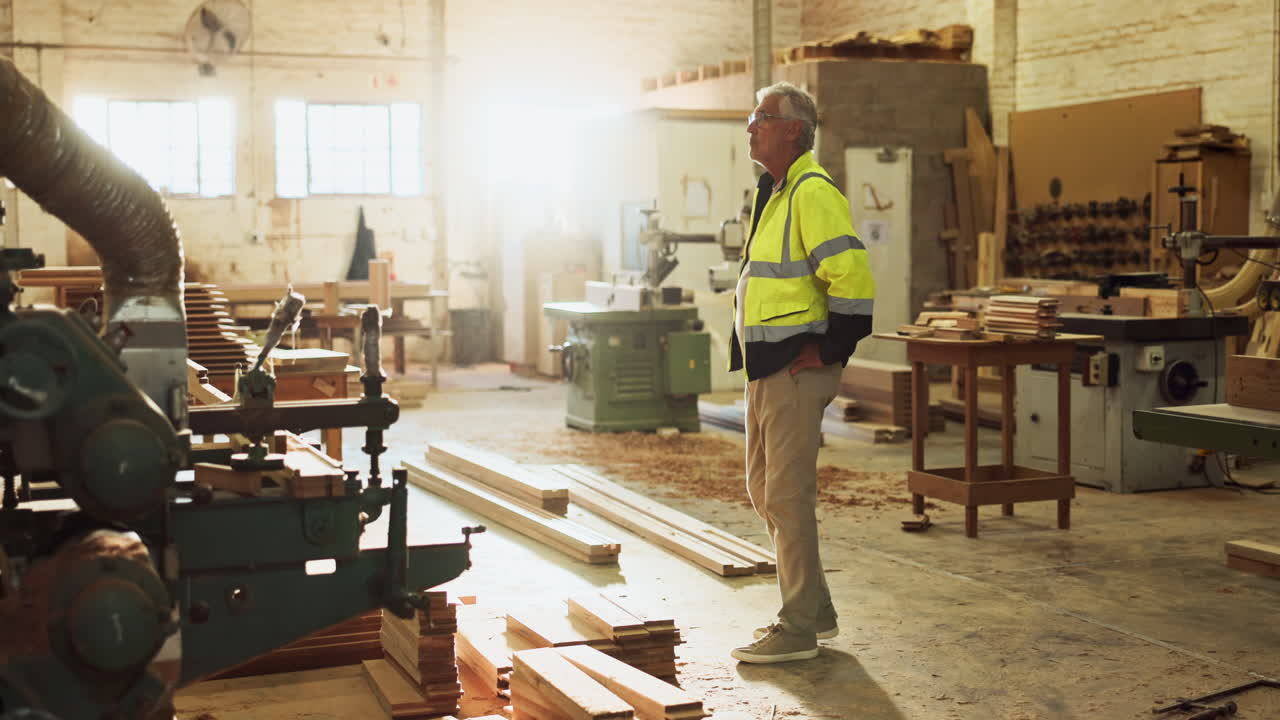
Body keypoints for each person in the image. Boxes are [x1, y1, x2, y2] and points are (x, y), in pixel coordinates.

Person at [727, 81, 875, 664]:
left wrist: (833, 347)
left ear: (793, 129)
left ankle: (797, 628)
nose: (750, 125)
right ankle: (817, 607)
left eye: (761, 116)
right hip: (766, 366)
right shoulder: (775, 190)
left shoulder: (812, 191)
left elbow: (853, 278)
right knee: (764, 491)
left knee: (786, 497)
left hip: (794, 366)